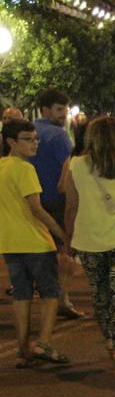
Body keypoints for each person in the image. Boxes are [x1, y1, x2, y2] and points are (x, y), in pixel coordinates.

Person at [64, 116, 115, 368]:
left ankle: (110, 341)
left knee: (100, 295)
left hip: (88, 238)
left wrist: (68, 238)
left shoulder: (76, 164)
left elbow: (71, 205)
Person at [1, 118, 71, 366]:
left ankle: (23, 347)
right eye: (27, 140)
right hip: (36, 242)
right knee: (51, 292)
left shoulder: (1, 167)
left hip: (9, 243)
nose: (34, 144)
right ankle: (44, 343)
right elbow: (37, 210)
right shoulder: (25, 169)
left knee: (22, 295)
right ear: (11, 141)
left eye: (35, 139)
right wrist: (62, 235)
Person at [32, 89, 83, 319]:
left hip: (32, 199)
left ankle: (46, 296)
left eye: (65, 109)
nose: (64, 114)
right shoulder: (58, 135)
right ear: (46, 110)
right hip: (57, 198)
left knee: (41, 251)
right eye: (59, 109)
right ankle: (61, 298)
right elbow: (70, 167)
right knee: (65, 249)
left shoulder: (29, 131)